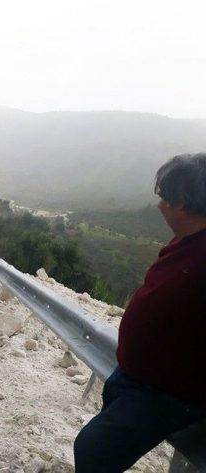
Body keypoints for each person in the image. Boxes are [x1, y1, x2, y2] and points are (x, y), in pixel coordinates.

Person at [74, 153, 206, 472]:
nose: (159, 204)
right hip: (135, 376)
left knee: (93, 450)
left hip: (165, 392)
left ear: (185, 202)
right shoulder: (186, 241)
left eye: (166, 197)